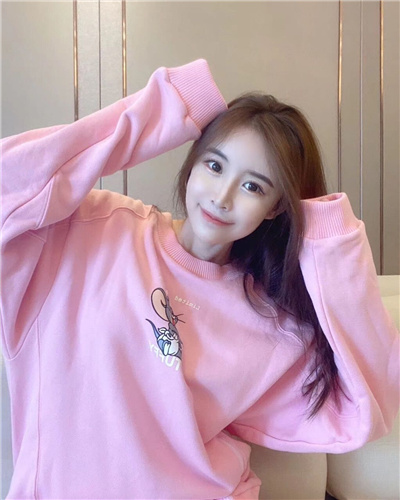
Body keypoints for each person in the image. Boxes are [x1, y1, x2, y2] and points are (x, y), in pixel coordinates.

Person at [1, 59, 398, 499]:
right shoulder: (93, 228)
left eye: (253, 186)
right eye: (214, 166)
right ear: (192, 165)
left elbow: (368, 406)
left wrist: (330, 239)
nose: (222, 197)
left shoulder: (272, 322)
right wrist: (166, 107)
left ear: (275, 208)